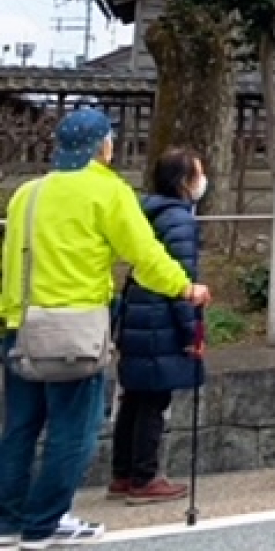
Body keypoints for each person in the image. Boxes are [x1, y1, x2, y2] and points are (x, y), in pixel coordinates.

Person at [0, 109, 211, 547]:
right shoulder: (107, 191)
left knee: (21, 426)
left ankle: (9, 518)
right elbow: (144, 254)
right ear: (105, 148)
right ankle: (45, 522)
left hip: (20, 325)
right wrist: (185, 288)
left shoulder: (27, 193)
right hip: (73, 329)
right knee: (73, 428)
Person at [109, 148, 209, 505]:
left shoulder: (145, 214)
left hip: (137, 313)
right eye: (199, 174)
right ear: (185, 182)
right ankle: (145, 476)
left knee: (135, 396)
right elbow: (182, 282)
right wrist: (192, 333)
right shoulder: (179, 221)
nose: (203, 181)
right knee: (155, 397)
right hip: (161, 319)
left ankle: (122, 473)